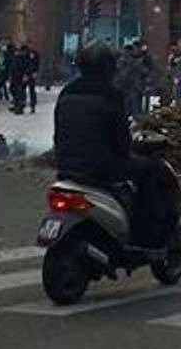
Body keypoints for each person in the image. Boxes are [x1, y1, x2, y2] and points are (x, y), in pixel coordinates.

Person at [52, 43, 172, 246]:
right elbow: (121, 142)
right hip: (101, 167)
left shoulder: (67, 92)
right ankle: (147, 228)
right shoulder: (110, 95)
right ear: (108, 67)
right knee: (152, 169)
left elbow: (59, 132)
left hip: (65, 165)